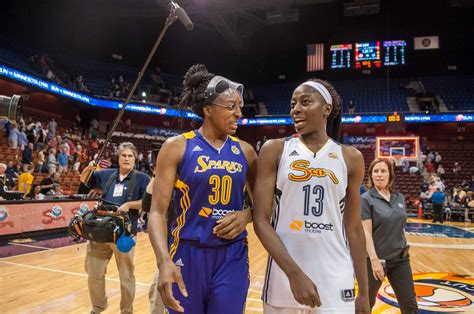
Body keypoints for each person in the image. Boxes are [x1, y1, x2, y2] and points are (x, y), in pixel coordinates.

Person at [148, 64, 257, 313]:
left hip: (232, 254)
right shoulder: (176, 147)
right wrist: (163, 261)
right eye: (231, 107)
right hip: (188, 252)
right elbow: (157, 211)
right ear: (207, 110)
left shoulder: (246, 151)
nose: (239, 113)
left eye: (239, 106)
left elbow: (265, 204)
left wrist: (247, 215)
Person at [253, 79, 369, 313]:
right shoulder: (275, 149)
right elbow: (261, 220)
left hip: (336, 278)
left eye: (305, 102)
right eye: (293, 103)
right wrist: (294, 274)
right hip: (284, 278)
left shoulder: (350, 157)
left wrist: (365, 293)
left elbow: (354, 229)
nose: (296, 109)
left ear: (327, 109)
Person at [80, 142, 150, 314]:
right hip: (101, 231)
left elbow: (147, 203)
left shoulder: (142, 178)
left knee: (126, 276)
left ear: (135, 159)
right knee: (94, 273)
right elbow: (84, 179)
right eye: (123, 155)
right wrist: (88, 168)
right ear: (118, 158)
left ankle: (126, 311)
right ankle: (98, 307)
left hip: (124, 235)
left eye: (130, 156)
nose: (126, 159)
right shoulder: (106, 175)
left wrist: (128, 205)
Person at [361, 159, 418, 313]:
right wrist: (374, 261)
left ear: (390, 175)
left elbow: (400, 225)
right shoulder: (366, 199)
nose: (379, 175)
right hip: (376, 260)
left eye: (383, 171)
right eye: (376, 171)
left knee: (410, 305)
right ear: (371, 175)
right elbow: (366, 232)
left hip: (400, 260)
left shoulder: (399, 198)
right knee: (366, 304)